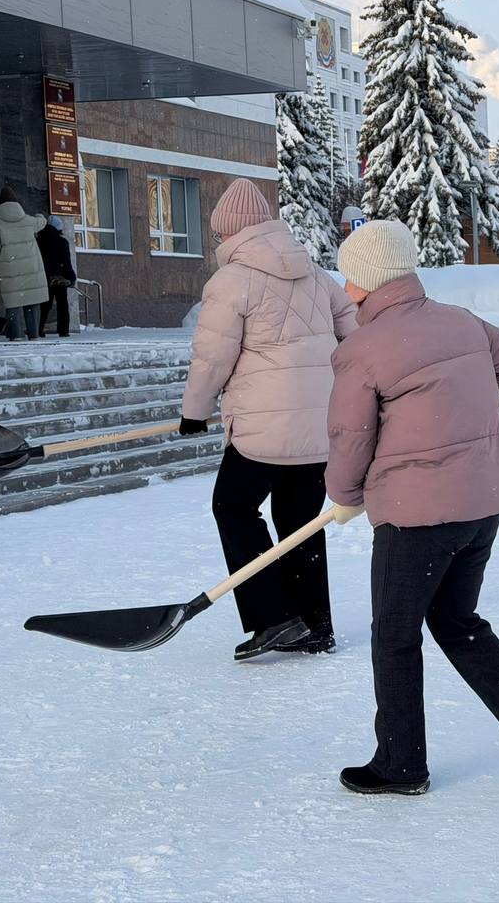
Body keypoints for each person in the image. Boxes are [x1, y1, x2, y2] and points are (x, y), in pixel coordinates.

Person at [325, 220, 499, 795]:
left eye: (349, 276)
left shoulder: (361, 349)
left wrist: (343, 494)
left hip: (415, 515)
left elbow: (350, 436)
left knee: (396, 634)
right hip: (480, 506)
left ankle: (400, 764)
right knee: (457, 621)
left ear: (362, 282)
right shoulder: (462, 321)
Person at [180, 178, 357, 661]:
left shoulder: (231, 281)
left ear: (229, 232)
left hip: (263, 431)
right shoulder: (317, 274)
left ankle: (276, 618)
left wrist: (194, 412)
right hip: (318, 430)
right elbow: (354, 335)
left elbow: (212, 358)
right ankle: (315, 625)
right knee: (300, 523)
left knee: (233, 509)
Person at [0, 186, 48, 341]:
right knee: (31, 302)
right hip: (31, 269)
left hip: (10, 270)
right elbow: (42, 222)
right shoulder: (27, 220)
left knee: (13, 304)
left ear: (0, 204)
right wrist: (40, 215)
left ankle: (16, 336)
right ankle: (33, 335)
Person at [36, 216, 77, 338]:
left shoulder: (38, 240)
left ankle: (38, 329)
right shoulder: (61, 242)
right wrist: (71, 278)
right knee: (62, 305)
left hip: (43, 277)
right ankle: (63, 330)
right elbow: (66, 262)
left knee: (44, 305)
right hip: (59, 278)